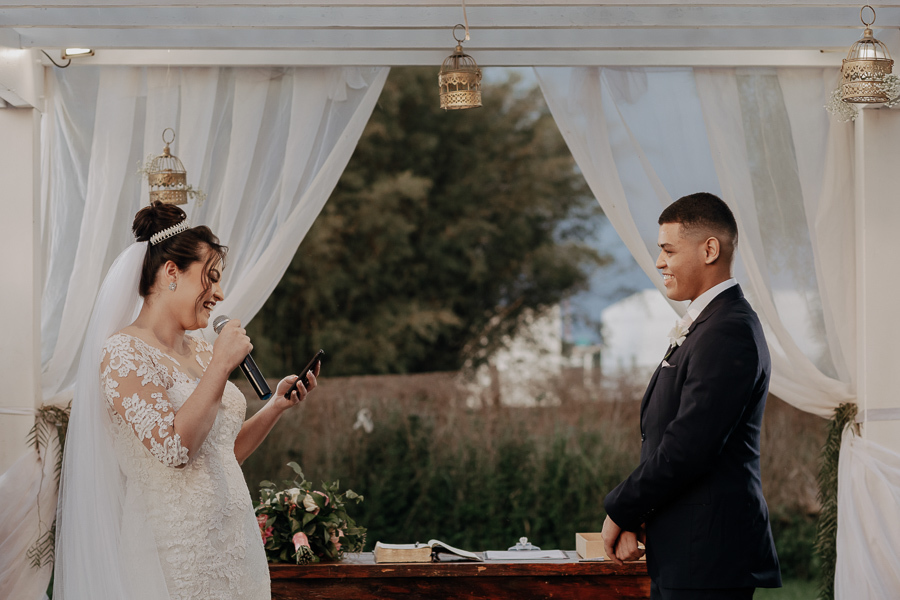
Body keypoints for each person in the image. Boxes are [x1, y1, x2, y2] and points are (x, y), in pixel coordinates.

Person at [54, 201, 320, 599]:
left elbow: (221, 452)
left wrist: (275, 407)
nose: (219, 292)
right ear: (172, 273)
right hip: (174, 556)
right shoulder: (124, 353)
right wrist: (221, 365)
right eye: (210, 278)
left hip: (233, 548)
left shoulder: (198, 351)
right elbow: (176, 448)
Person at [601, 193, 781, 599]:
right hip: (687, 550)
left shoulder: (728, 330)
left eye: (668, 250)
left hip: (708, 557)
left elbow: (689, 447)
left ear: (710, 250)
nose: (660, 262)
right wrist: (641, 514)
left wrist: (621, 508)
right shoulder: (709, 325)